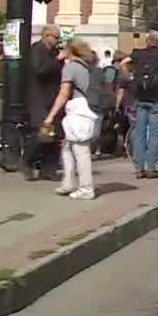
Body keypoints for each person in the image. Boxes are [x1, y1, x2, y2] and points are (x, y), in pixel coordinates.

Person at [40, 39, 103, 200]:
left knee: (81, 151)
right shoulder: (88, 67)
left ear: (70, 51)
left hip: (79, 111)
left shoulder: (71, 67)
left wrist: (50, 116)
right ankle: (68, 182)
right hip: (91, 110)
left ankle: (86, 188)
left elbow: (64, 94)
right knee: (67, 147)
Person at [130, 30, 158, 180]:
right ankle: (150, 168)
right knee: (155, 134)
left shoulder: (137, 53)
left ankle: (138, 169)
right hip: (156, 98)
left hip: (140, 97)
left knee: (139, 133)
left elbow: (124, 63)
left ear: (148, 40)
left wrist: (131, 76)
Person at [26, 24, 65, 181]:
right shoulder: (36, 50)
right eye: (53, 37)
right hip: (39, 99)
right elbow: (40, 70)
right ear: (45, 35)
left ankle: (49, 168)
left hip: (53, 99)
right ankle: (28, 161)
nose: (55, 40)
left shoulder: (55, 52)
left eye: (57, 37)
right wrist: (58, 60)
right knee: (41, 134)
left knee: (54, 136)